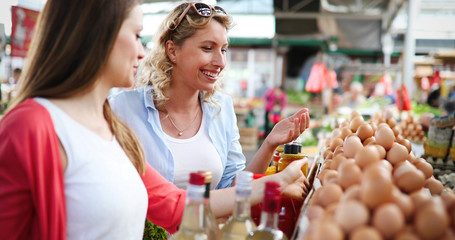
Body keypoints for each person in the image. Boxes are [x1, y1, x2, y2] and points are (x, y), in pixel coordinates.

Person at [0, 1, 309, 238]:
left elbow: (177, 208)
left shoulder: (111, 128)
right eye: (136, 35)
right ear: (96, 35)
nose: (142, 50)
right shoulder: (32, 127)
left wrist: (276, 181)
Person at [109, 1, 310, 190]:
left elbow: (233, 189)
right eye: (207, 48)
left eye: (223, 50)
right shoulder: (120, 109)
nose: (220, 61)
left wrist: (269, 144)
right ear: (172, 51)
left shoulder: (221, 108)